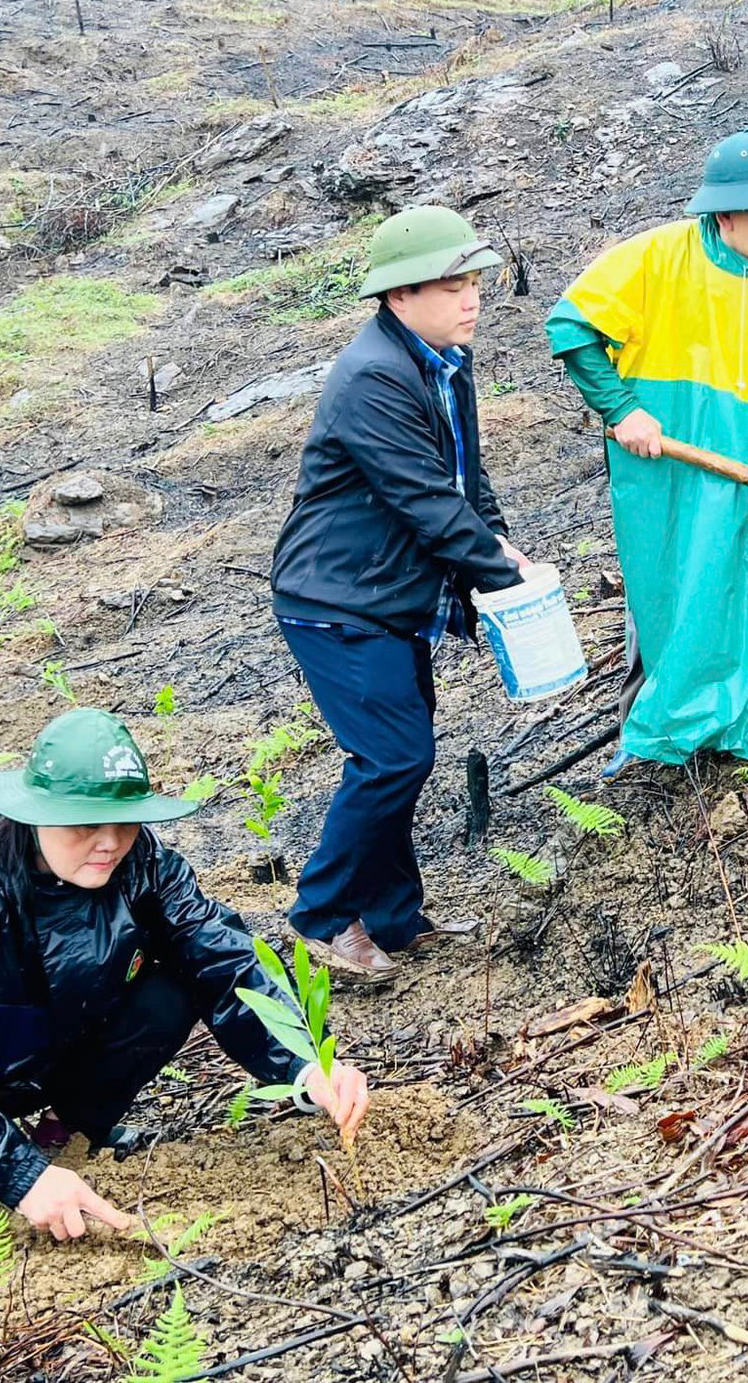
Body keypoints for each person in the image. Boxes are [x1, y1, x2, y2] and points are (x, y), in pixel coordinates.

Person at [0, 708, 368, 1373]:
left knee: (172, 986)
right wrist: (13, 1175)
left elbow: (224, 959)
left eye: (125, 822)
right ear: (35, 813)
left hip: (51, 1043)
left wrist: (306, 1064)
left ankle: (63, 1135)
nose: (109, 842)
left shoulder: (146, 864)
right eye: (83, 823)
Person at [546, 128, 748, 777]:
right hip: (667, 458)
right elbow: (573, 325)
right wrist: (622, 409)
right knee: (669, 576)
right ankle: (651, 715)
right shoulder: (659, 258)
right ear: (724, 215)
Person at [270, 205, 531, 980]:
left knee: (403, 754)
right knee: (392, 758)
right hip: (338, 600)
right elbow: (424, 500)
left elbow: (464, 475)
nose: (471, 297)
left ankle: (393, 915)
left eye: (473, 279)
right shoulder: (373, 379)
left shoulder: (445, 359)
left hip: (390, 597)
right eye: (451, 284)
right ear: (397, 296)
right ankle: (320, 915)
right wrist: (508, 578)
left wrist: (501, 538)